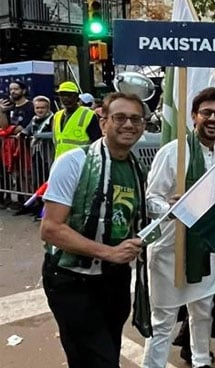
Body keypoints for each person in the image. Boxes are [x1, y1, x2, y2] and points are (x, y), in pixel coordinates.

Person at [40, 92, 147, 368]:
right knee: (101, 361)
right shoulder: (74, 162)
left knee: (100, 352)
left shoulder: (136, 169)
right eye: (119, 117)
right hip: (71, 281)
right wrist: (109, 252)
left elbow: (128, 217)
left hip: (114, 281)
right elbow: (51, 229)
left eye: (136, 119)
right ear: (103, 123)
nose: (128, 125)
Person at [142, 87, 215, 368]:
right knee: (163, 321)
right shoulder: (174, 153)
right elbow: (150, 199)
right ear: (194, 116)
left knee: (203, 310)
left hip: (205, 249)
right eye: (207, 113)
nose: (213, 118)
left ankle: (201, 361)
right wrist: (172, 207)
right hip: (171, 249)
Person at [52, 81, 102, 160]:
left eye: (69, 95)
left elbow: (96, 142)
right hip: (61, 161)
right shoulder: (57, 116)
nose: (65, 98)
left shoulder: (88, 115)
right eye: (62, 95)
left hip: (81, 162)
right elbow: (56, 142)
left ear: (77, 97)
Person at [20, 95, 54, 193]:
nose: (39, 110)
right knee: (37, 179)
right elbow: (27, 130)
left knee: (48, 178)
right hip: (36, 153)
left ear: (48, 108)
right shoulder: (34, 119)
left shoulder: (53, 118)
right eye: (37, 108)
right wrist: (22, 134)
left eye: (42, 108)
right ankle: (38, 200)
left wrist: (38, 135)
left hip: (49, 154)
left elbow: (55, 134)